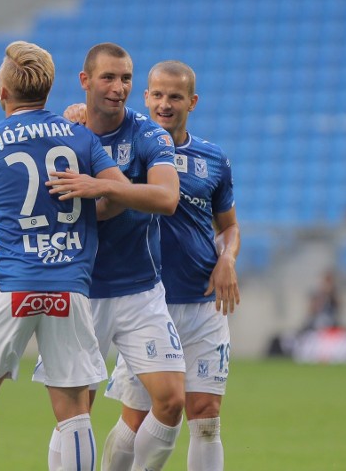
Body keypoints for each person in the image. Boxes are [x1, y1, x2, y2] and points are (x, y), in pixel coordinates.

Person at [0, 40, 130, 471]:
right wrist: (87, 215)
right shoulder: (81, 138)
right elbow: (121, 193)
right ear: (48, 91)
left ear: (4, 92)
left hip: (10, 282)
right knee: (74, 409)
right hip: (68, 286)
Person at [81, 60, 240, 470]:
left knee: (205, 415)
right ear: (146, 97)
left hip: (204, 303)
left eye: (175, 96)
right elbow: (92, 114)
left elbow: (229, 226)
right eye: (157, 94)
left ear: (193, 101)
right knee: (137, 417)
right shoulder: (131, 145)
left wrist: (227, 259)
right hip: (150, 302)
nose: (164, 104)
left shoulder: (214, 159)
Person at [36, 43, 184, 471]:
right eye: (108, 78)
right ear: (85, 82)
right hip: (81, 292)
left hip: (140, 290)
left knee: (172, 400)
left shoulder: (147, 134)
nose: (119, 88)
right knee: (75, 411)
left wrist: (103, 187)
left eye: (125, 79)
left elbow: (167, 197)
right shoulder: (63, 135)